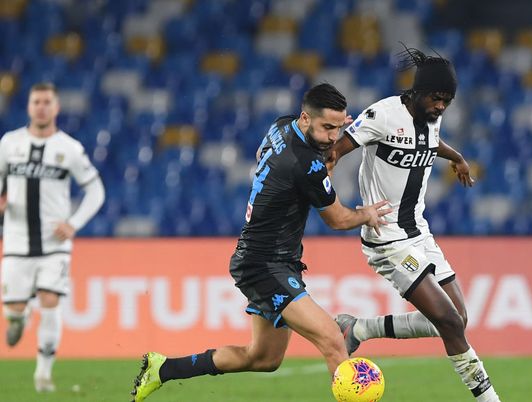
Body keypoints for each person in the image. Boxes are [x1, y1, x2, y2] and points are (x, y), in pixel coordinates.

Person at [131, 83, 392, 401]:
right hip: (265, 265)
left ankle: (163, 369)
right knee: (333, 340)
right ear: (306, 118)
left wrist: (322, 153)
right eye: (327, 127)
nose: (333, 137)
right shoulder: (304, 164)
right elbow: (338, 220)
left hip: (269, 260)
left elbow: (261, 154)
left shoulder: (282, 126)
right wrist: (366, 214)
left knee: (263, 358)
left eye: (338, 128)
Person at [328, 47, 502, 402]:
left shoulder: (430, 117)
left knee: (458, 319)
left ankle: (358, 328)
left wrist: (457, 157)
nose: (441, 106)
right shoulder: (382, 114)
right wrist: (330, 202)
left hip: (419, 233)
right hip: (387, 238)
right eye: (436, 98)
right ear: (418, 91)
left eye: (447, 101)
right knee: (449, 322)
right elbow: (333, 154)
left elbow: (428, 142)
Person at [0, 82, 106, 392]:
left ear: (56, 107)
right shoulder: (9, 143)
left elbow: (96, 190)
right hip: (16, 241)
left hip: (54, 244)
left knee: (50, 300)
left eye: (47, 102)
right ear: (28, 106)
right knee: (13, 310)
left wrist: (74, 223)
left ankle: (43, 375)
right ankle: (19, 318)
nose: (41, 107)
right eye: (36, 102)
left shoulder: (69, 148)